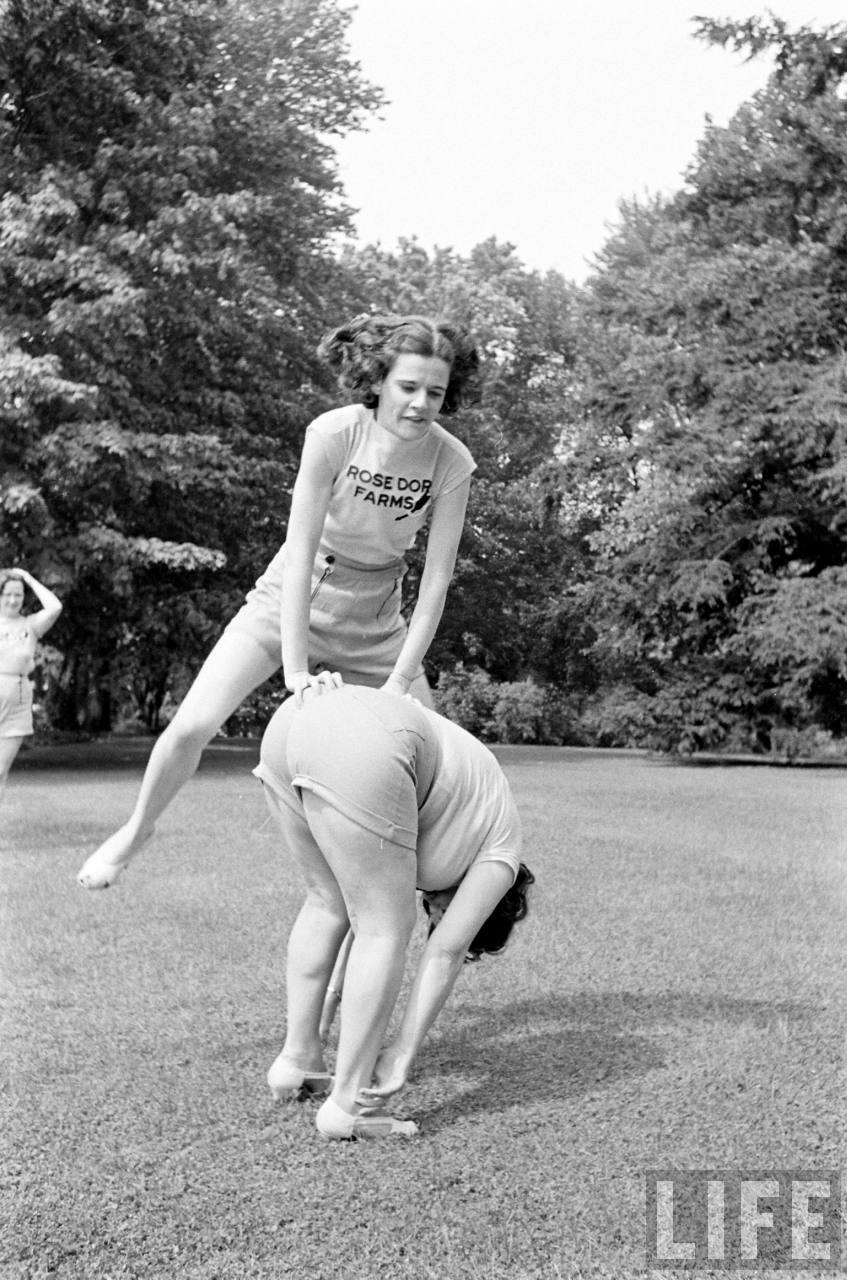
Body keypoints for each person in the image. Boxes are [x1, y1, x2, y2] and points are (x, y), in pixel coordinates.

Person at [77, 314, 481, 890]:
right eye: (407, 387)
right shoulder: (333, 434)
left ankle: (374, 916)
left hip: (377, 614)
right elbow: (300, 551)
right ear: (378, 381)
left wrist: (400, 678)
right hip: (298, 587)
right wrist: (295, 670)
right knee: (192, 724)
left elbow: (436, 580)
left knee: (432, 764)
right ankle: (138, 828)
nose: (420, 404)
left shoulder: (451, 462)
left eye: (434, 393)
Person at [255, 684, 535, 1141]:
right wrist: (402, 1052)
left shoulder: (471, 815)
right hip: (368, 737)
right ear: (492, 911)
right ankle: (346, 1106)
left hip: (293, 724)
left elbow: (354, 916)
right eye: (443, 913)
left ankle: (297, 1059)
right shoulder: (501, 854)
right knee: (386, 929)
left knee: (327, 903)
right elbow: (445, 952)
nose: (438, 919)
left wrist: (329, 1008)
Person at [0, 567, 63, 801]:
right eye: (8, 594)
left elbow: (55, 607)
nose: (13, 600)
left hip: (17, 700)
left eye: (18, 594)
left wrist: (28, 578)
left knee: (0, 771)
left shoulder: (30, 625)